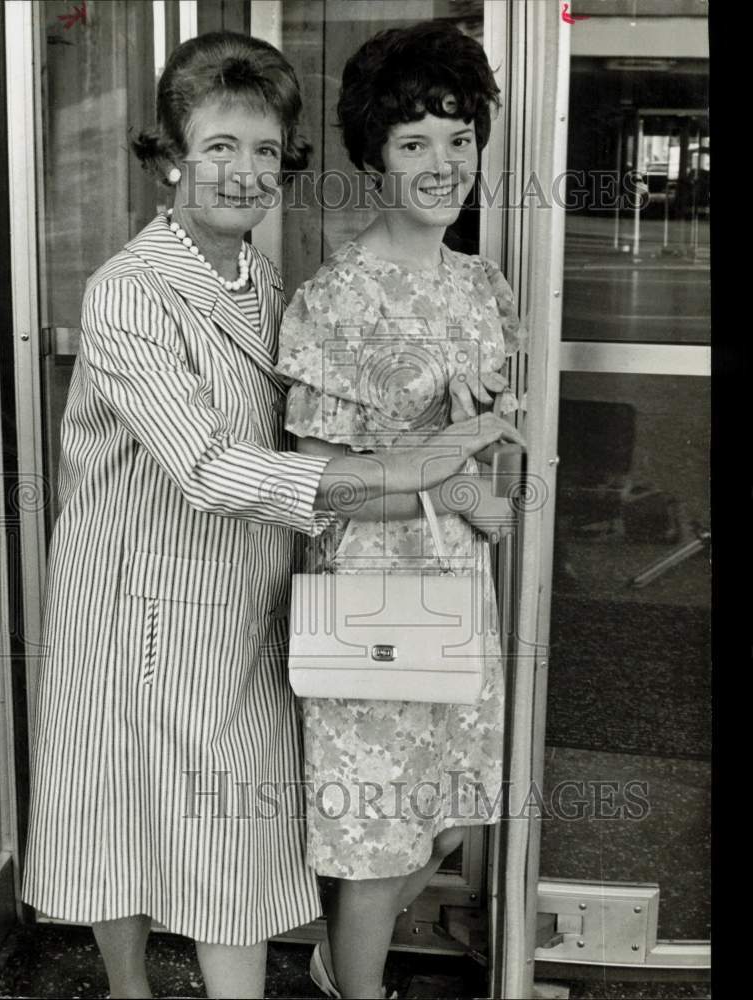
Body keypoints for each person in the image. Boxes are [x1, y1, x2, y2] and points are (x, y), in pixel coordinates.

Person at [20, 30, 520, 1000]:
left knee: (226, 837)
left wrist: (439, 478)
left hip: (237, 590)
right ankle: (128, 989)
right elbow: (208, 465)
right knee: (105, 806)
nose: (243, 172)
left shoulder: (263, 283)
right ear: (170, 157)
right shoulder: (129, 291)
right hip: (131, 594)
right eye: (218, 146)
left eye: (261, 150)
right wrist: (415, 466)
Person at [275, 21, 527, 1000]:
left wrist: (467, 481)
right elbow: (322, 484)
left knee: (450, 817)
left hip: (459, 585)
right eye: (415, 140)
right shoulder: (334, 300)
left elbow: (495, 435)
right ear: (375, 152)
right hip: (372, 598)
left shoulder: (484, 286)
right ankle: (356, 984)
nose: (441, 163)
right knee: (377, 840)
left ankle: (340, 962)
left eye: (458, 137)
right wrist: (454, 466)